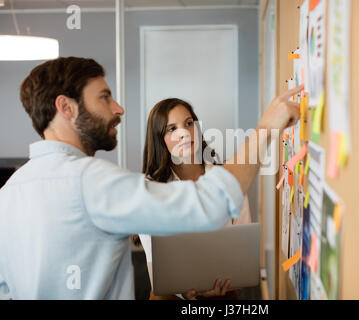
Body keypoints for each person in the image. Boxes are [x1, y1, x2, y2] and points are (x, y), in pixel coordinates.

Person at [0, 57, 302, 299]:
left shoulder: (9, 192)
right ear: (65, 107)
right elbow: (210, 204)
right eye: (104, 98)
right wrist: (266, 128)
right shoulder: (91, 181)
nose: (119, 109)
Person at [137, 98, 251, 300]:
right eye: (172, 128)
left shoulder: (227, 179)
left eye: (188, 123)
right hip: (171, 293)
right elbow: (156, 262)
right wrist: (189, 291)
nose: (184, 133)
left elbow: (243, 242)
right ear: (159, 138)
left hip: (222, 287)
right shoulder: (149, 188)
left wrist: (227, 280)